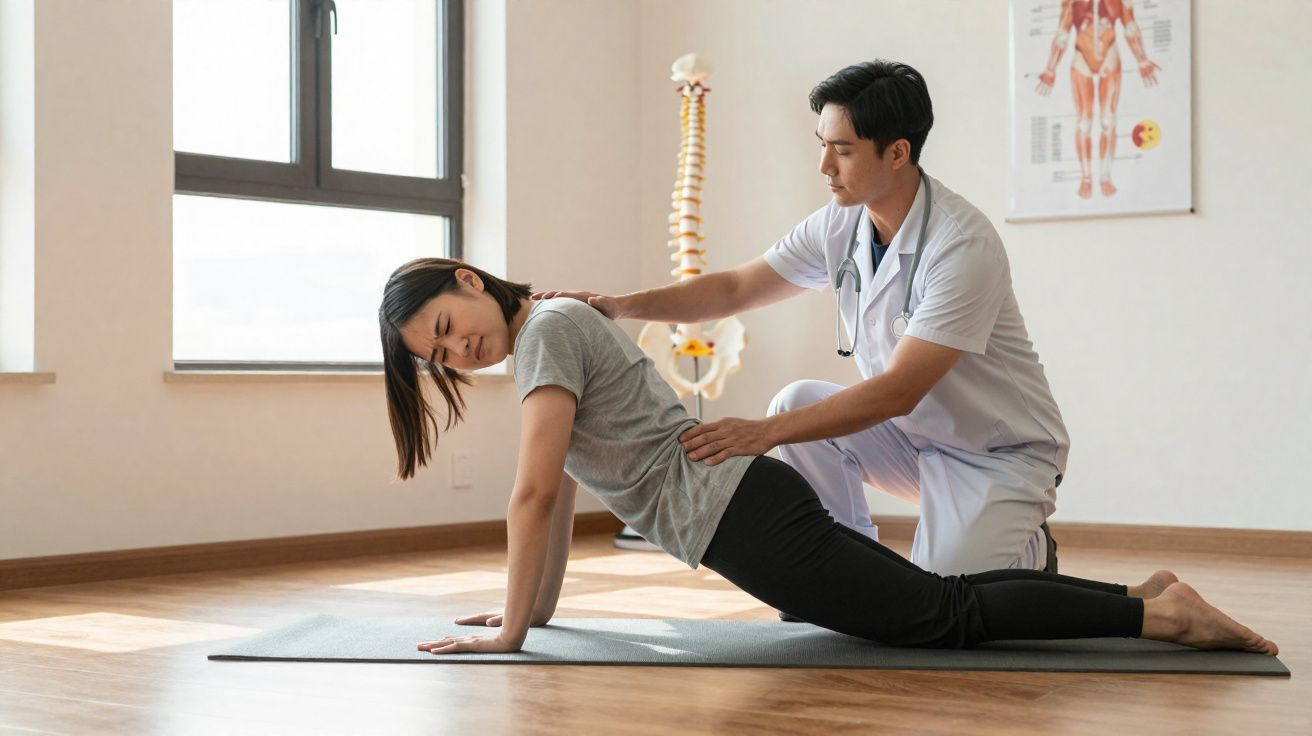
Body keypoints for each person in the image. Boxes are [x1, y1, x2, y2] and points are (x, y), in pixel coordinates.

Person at [377, 258, 1277, 657]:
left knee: (939, 619)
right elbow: (564, 495)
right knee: (932, 609)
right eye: (440, 357)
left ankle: (1160, 617)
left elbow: (531, 497)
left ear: (470, 279)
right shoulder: (553, 334)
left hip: (744, 515)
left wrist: (510, 629)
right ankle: (1150, 602)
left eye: (451, 329)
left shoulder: (548, 333)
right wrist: (525, 616)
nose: (460, 353)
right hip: (742, 511)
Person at [536, 59, 1069, 577]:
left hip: (997, 453)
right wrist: (623, 305)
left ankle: (1031, 551)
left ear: (898, 153)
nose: (824, 167)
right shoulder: (837, 226)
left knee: (950, 598)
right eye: (822, 146)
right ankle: (851, 573)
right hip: (916, 441)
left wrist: (762, 433)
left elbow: (898, 391)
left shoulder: (961, 245)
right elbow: (736, 287)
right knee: (796, 403)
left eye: (842, 150)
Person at [1036, 0, 1160, 198]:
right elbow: (1062, 33)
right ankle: (1086, 178)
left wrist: (1142, 59)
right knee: (1084, 123)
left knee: (1108, 120)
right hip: (1081, 57)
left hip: (1109, 55)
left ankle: (1105, 177)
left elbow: (1130, 26)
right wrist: (1051, 68)